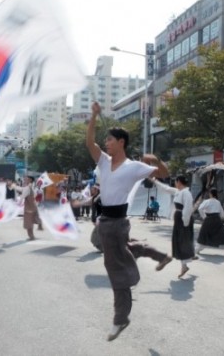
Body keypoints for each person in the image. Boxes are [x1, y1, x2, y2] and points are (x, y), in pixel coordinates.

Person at [85, 101, 171, 342]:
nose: (106, 143)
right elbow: (89, 142)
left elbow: (163, 174)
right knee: (124, 250)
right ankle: (160, 255)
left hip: (117, 222)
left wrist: (157, 159)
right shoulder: (102, 161)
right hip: (106, 222)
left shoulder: (134, 167)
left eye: (110, 140)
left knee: (116, 270)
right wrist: (93, 115)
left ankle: (120, 318)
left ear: (121, 142)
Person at [150, 176, 197, 278]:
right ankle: (185, 263)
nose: (175, 183)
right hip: (180, 218)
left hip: (184, 219)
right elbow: (166, 188)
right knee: (179, 241)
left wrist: (185, 222)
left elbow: (188, 208)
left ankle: (185, 263)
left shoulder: (186, 193)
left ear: (179, 182)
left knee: (182, 240)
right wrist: (155, 181)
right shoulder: (178, 191)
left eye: (176, 181)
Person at [195, 188, 224, 256]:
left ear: (210, 194)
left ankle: (196, 250)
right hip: (217, 220)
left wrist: (204, 217)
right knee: (222, 236)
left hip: (208, 219)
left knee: (203, 235)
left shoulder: (207, 201)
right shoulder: (218, 202)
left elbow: (200, 208)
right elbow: (222, 213)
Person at [11, 176, 41, 240]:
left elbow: (23, 195)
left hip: (29, 208)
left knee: (28, 223)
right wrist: (14, 187)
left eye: (26, 179)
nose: (24, 180)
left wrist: (18, 203)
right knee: (31, 222)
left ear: (30, 180)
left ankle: (31, 236)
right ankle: (32, 235)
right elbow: (22, 189)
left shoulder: (28, 187)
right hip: (32, 207)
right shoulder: (31, 186)